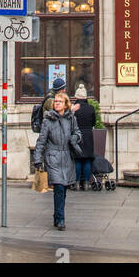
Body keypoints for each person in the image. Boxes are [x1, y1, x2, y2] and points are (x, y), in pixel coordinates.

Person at [33, 91, 83, 231]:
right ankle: (61, 219)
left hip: (67, 157)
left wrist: (75, 139)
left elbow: (77, 132)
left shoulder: (71, 119)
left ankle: (57, 215)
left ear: (66, 104)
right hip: (53, 157)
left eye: (60, 102)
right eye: (55, 101)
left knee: (64, 188)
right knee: (59, 187)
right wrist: (37, 159)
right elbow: (41, 141)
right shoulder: (47, 120)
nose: (57, 104)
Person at [71, 84, 96, 190]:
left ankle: (76, 183)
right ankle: (86, 183)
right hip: (88, 135)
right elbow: (93, 122)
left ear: (76, 97)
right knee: (87, 159)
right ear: (86, 97)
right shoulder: (91, 108)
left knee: (77, 159)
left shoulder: (74, 109)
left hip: (77, 136)